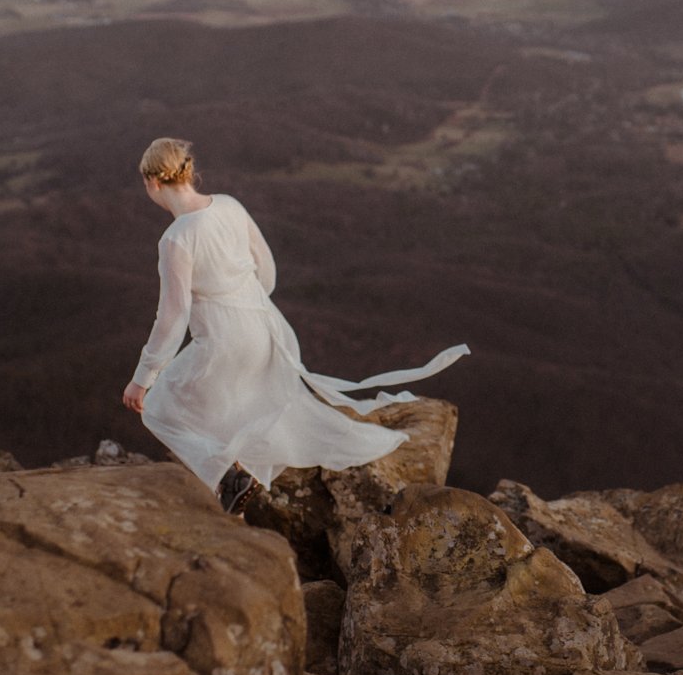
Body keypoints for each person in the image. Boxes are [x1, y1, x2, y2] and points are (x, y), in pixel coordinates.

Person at [119, 138, 468, 510]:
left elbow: (174, 315)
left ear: (153, 182)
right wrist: (252, 304)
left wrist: (143, 377)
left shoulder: (175, 240)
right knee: (233, 398)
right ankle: (233, 475)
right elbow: (266, 267)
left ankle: (228, 478)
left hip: (223, 340)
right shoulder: (229, 206)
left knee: (159, 407)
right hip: (267, 329)